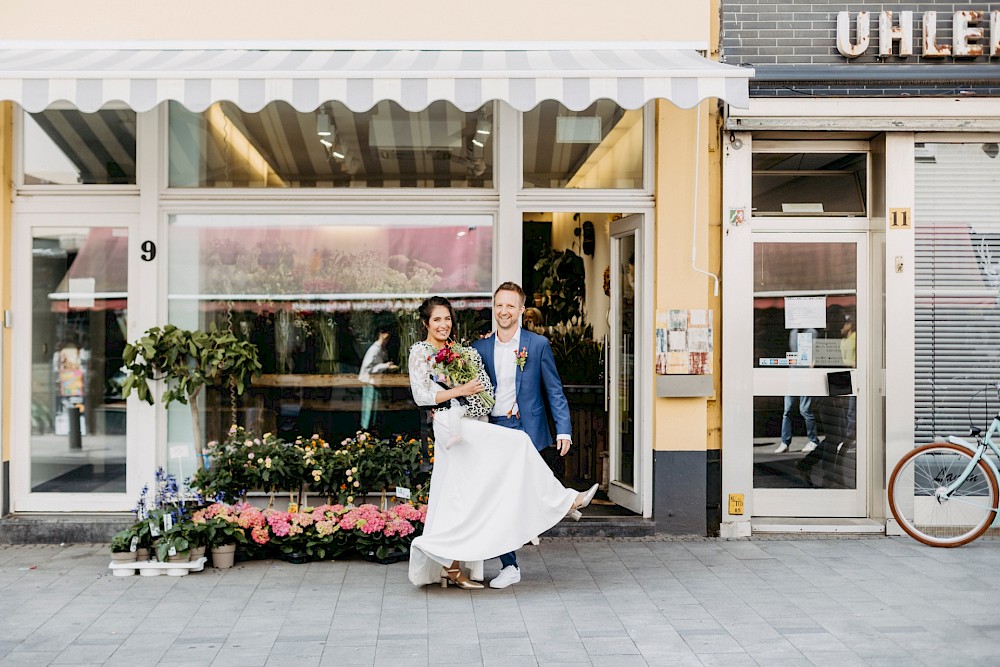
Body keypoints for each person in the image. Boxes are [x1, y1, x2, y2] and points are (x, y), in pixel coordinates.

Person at [407, 296, 598, 590]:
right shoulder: (421, 352)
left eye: (447, 319)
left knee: (467, 497)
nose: (443, 324)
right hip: (452, 429)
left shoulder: (461, 350)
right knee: (518, 445)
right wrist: (462, 389)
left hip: (470, 424)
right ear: (425, 323)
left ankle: (452, 564)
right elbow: (422, 396)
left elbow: (488, 389)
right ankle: (565, 501)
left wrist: (472, 392)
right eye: (437, 320)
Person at [472, 282, 595, 590]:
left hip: (525, 429)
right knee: (498, 499)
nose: (504, 311)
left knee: (516, 491)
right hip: (491, 428)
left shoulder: (537, 345)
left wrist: (563, 428)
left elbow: (554, 390)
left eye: (510, 306)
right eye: (499, 305)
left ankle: (562, 503)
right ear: (494, 307)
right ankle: (565, 503)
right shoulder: (480, 348)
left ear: (521, 310)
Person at [775, 326, 819, 455]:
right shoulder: (793, 332)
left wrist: (811, 371)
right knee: (787, 409)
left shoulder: (811, 332)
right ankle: (785, 442)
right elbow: (791, 353)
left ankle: (813, 440)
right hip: (793, 374)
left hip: (805, 375)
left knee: (805, 409)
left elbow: (815, 355)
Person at [358, 325, 397, 431]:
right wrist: (385, 366)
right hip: (370, 382)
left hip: (376, 382)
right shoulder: (374, 350)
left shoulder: (382, 349)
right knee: (369, 408)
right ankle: (366, 430)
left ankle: (372, 429)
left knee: (375, 408)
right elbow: (368, 368)